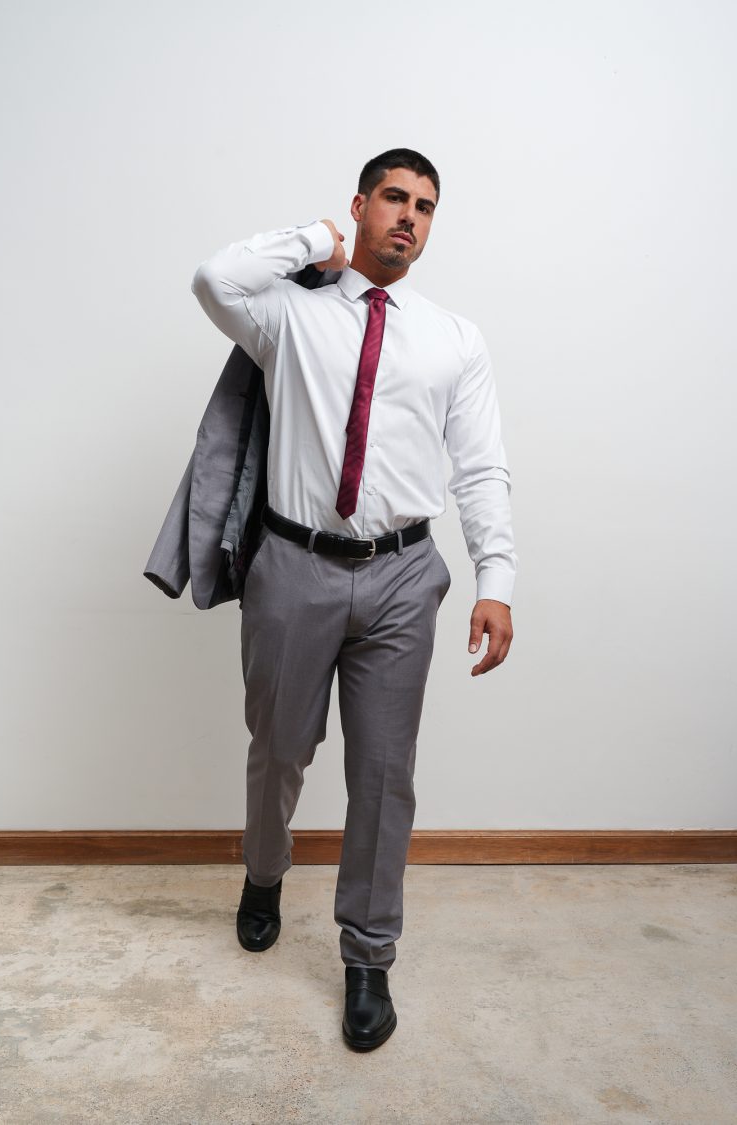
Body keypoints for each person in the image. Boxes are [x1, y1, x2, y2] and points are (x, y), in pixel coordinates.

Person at [191, 147, 517, 1051]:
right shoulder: (288, 315)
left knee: (383, 772)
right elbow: (214, 278)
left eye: (425, 206)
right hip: (294, 565)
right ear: (361, 205)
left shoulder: (454, 338)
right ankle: (265, 872)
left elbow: (480, 467)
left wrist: (496, 578)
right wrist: (316, 241)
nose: (409, 216)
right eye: (394, 198)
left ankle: (368, 957)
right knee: (280, 747)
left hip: (404, 573)